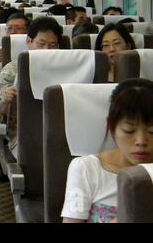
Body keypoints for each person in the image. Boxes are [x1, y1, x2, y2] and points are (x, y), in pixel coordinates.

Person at [62, 78, 153, 223]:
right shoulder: (86, 169)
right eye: (129, 131)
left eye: (151, 132)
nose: (141, 141)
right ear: (112, 128)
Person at [0, 17, 62, 180]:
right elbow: (0, 108)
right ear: (29, 42)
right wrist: (6, 99)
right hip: (23, 130)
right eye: (41, 44)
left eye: (52, 45)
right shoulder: (13, 68)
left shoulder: (69, 68)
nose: (47, 50)